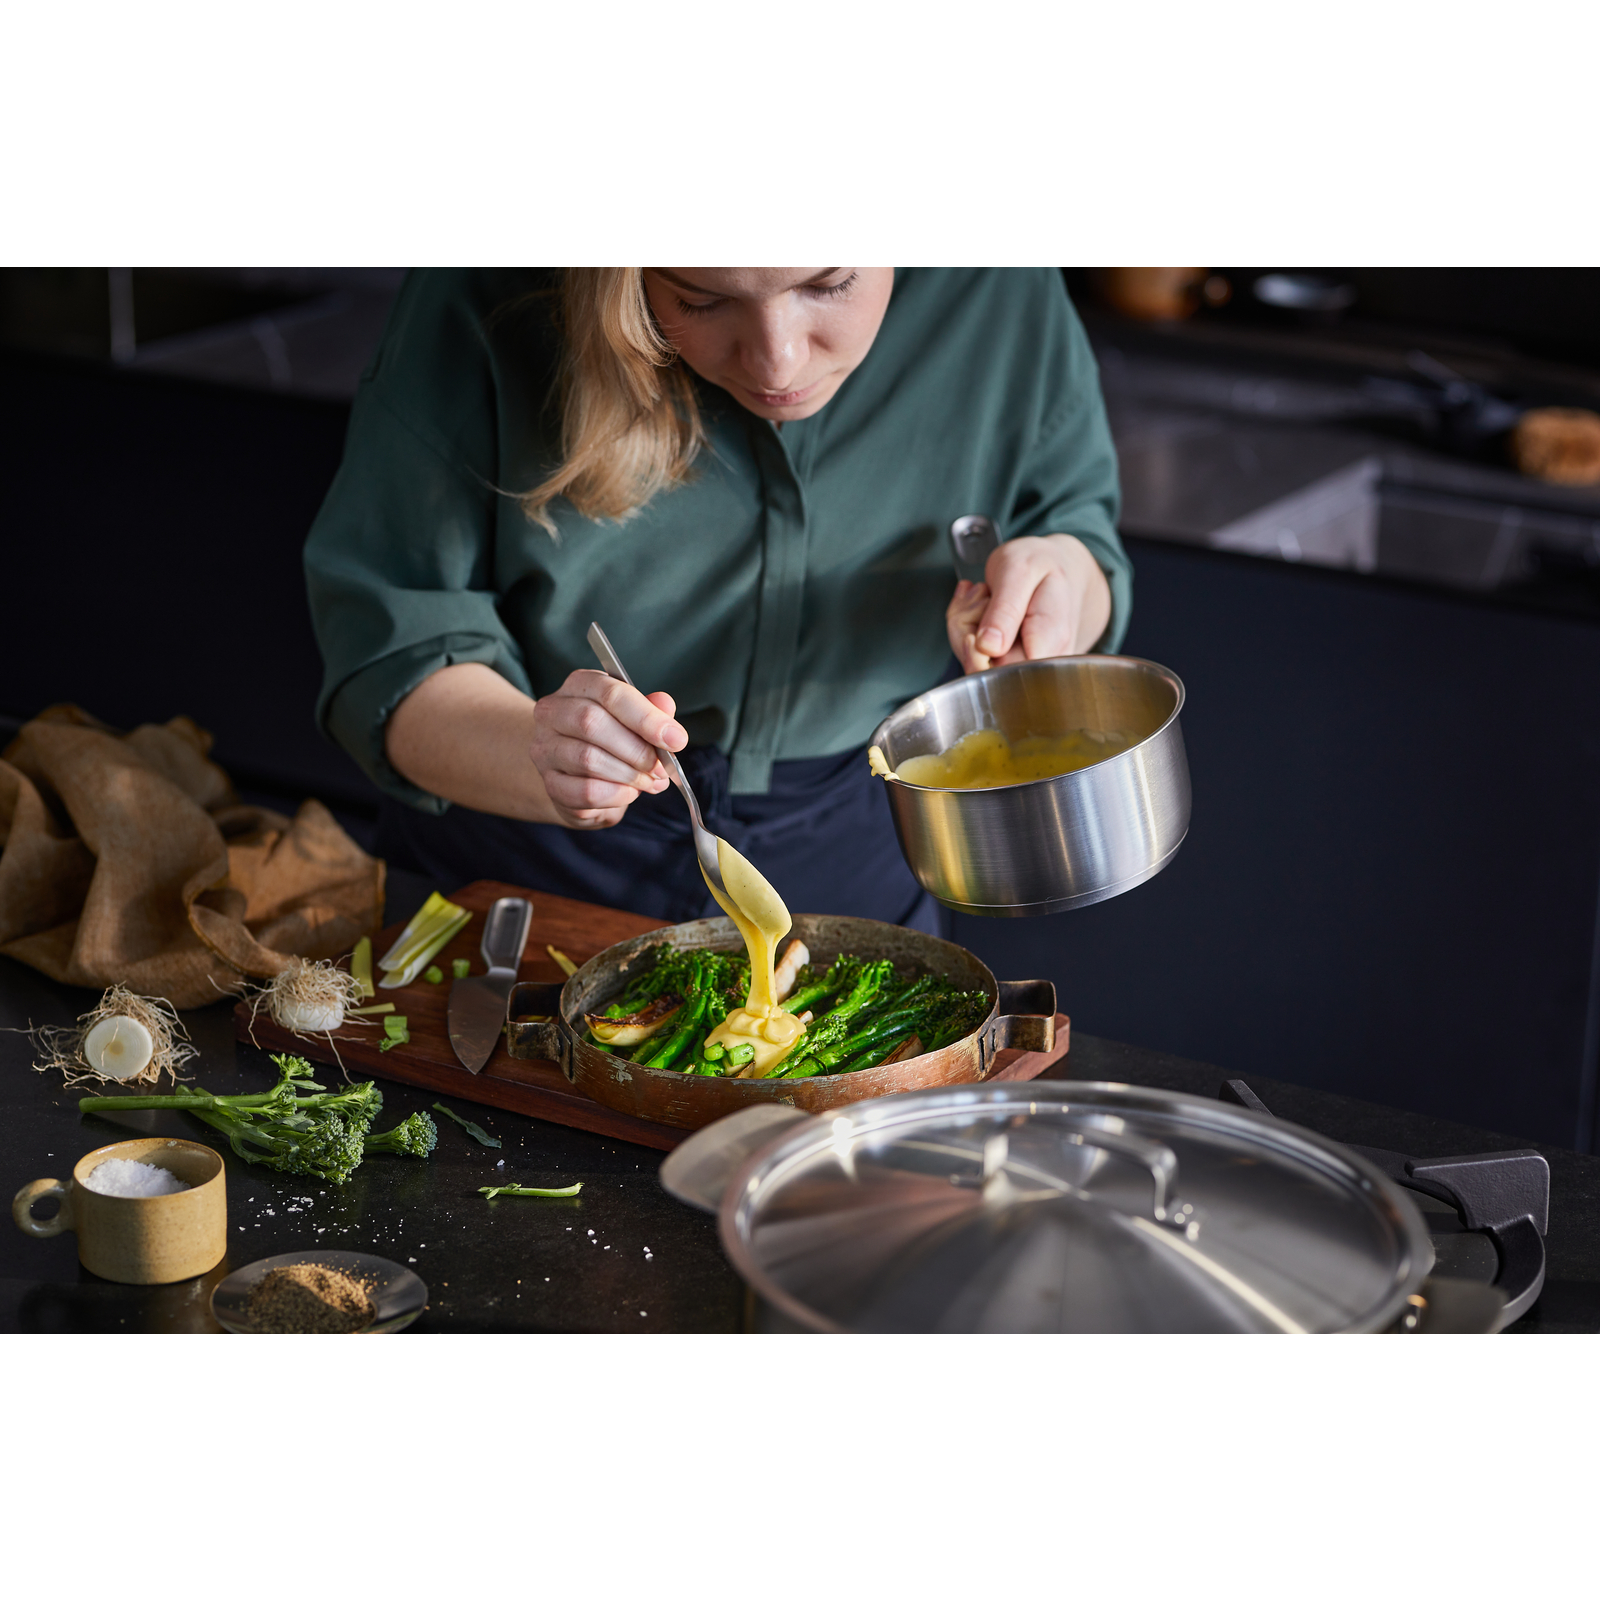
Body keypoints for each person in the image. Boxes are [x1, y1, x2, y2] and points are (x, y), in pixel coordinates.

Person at [304, 268, 1131, 931]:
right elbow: (391, 656)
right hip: (529, 870)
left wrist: (1063, 581)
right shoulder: (488, 285)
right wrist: (541, 752)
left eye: (829, 284)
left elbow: (1077, 533)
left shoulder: (999, 282)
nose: (779, 363)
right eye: (700, 300)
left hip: (858, 843)